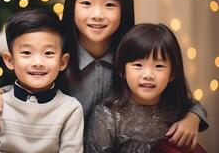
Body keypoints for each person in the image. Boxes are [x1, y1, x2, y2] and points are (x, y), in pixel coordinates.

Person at [0, 0, 208, 147]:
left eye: (109, 5)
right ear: (72, 5)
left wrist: (192, 117)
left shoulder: (133, 58)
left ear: (124, 9)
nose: (97, 14)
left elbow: (179, 98)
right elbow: (32, 80)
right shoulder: (57, 53)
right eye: (86, 3)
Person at [0, 9, 84, 153]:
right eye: (26, 53)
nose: (37, 62)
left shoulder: (70, 109)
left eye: (48, 53)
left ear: (62, 62)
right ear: (10, 60)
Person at [85, 23, 206, 153]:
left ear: (172, 74)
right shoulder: (106, 116)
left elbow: (196, 106)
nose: (148, 75)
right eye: (138, 65)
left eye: (159, 66)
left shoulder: (176, 107)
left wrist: (193, 118)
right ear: (122, 70)